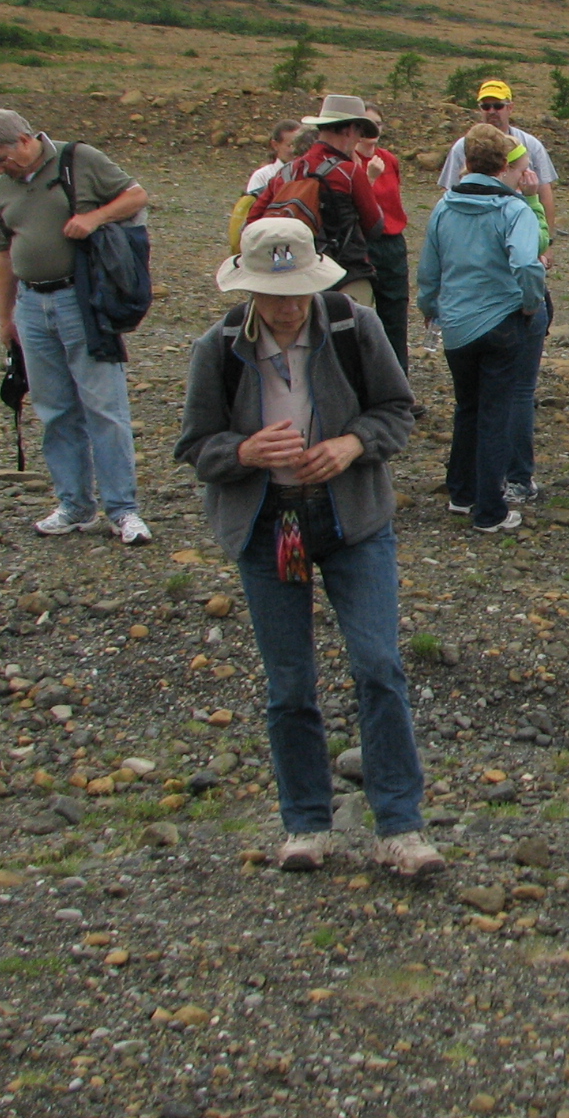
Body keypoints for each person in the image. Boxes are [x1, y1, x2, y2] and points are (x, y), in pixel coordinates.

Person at [173, 217, 444, 879]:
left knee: (379, 665)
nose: (290, 306)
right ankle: (306, 824)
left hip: (353, 521)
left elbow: (396, 410)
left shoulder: (354, 327)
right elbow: (194, 447)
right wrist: (243, 451)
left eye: (298, 290)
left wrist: (354, 444)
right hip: (269, 526)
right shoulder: (217, 347)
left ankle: (401, 828)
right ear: (248, 291)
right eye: (274, 293)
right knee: (289, 683)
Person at [0, 107, 153, 546]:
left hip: (82, 301)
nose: (1, 168)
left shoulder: (79, 159)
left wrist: (95, 217)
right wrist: (6, 316)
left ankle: (123, 510)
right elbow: (4, 253)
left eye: (2, 158)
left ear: (22, 139)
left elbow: (136, 196)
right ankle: (74, 505)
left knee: (104, 407)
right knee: (54, 410)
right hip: (32, 307)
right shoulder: (4, 186)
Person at [415, 124, 547, 533]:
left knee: (466, 407)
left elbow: (428, 268)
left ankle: (462, 492)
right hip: (502, 320)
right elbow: (527, 263)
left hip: (456, 324)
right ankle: (490, 510)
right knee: (495, 413)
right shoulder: (514, 210)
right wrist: (530, 303)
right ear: (503, 165)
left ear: (468, 163)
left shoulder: (444, 207)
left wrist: (429, 306)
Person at [248, 94, 386, 302]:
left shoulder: (286, 172)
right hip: (343, 273)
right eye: (359, 132)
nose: (359, 139)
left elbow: (252, 222)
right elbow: (374, 225)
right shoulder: (349, 173)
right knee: (353, 327)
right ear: (349, 130)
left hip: (291, 275)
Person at [500, 139, 552, 507]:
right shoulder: (515, 207)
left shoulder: (451, 202)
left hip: (471, 311)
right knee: (519, 392)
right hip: (515, 306)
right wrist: (532, 199)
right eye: (523, 167)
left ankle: (470, 481)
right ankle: (518, 477)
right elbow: (534, 248)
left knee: (475, 397)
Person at [437, 79, 557, 230]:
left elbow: (545, 195)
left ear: (510, 108)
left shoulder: (531, 145)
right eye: (486, 107)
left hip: (521, 226)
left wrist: (548, 243)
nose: (492, 111)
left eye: (498, 106)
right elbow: (449, 193)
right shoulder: (462, 147)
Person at [354, 104, 411, 375]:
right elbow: (354, 203)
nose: (371, 131)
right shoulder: (349, 162)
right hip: (362, 243)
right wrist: (369, 178)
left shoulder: (389, 159)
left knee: (395, 318)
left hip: (392, 242)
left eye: (377, 124)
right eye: (366, 124)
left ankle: (398, 383)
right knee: (358, 314)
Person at [246, 120, 306, 194]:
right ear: (275, 145)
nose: (295, 150)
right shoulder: (262, 176)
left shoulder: (308, 173)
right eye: (290, 145)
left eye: (299, 145)